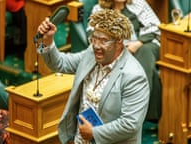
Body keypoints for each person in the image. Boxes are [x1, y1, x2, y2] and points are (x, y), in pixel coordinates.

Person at [37, 9, 150, 144]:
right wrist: (48, 40)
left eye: (103, 41)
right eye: (94, 38)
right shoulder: (91, 53)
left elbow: (130, 123)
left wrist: (94, 133)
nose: (96, 46)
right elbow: (61, 64)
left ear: (119, 42)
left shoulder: (134, 76)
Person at [88, 0, 162, 121]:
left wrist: (138, 43)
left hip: (145, 43)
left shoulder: (138, 3)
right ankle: (146, 112)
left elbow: (156, 27)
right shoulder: (99, 10)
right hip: (115, 51)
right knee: (145, 68)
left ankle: (136, 108)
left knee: (145, 53)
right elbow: (92, 35)